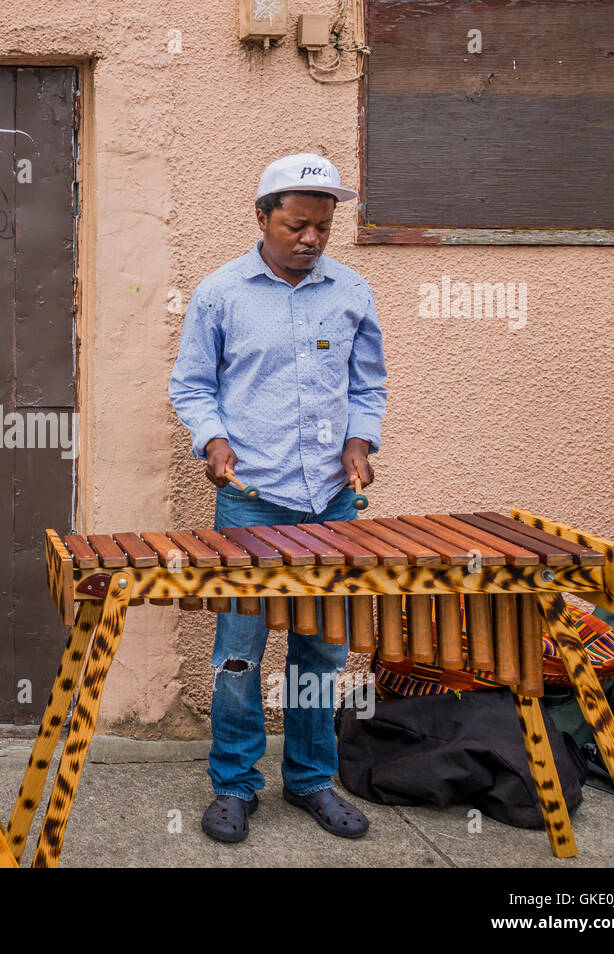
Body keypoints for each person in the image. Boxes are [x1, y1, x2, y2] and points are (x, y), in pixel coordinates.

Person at [168, 152, 387, 845]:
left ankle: (312, 779)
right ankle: (235, 783)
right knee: (238, 655)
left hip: (331, 502)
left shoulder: (352, 291)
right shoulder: (220, 293)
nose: (312, 238)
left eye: (323, 226)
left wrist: (360, 443)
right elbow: (192, 386)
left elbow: (368, 387)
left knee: (321, 652)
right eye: (297, 224)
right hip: (252, 501)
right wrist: (213, 443)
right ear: (262, 217)